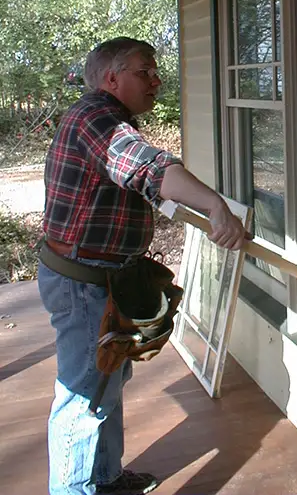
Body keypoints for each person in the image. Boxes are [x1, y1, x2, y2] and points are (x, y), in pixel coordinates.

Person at [38, 37, 246, 495]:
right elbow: (148, 168)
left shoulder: (103, 117)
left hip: (98, 279)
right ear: (112, 78)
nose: (156, 80)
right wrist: (214, 205)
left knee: (104, 386)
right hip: (84, 286)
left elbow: (140, 180)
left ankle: (105, 479)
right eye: (144, 71)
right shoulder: (98, 120)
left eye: (155, 72)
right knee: (82, 398)